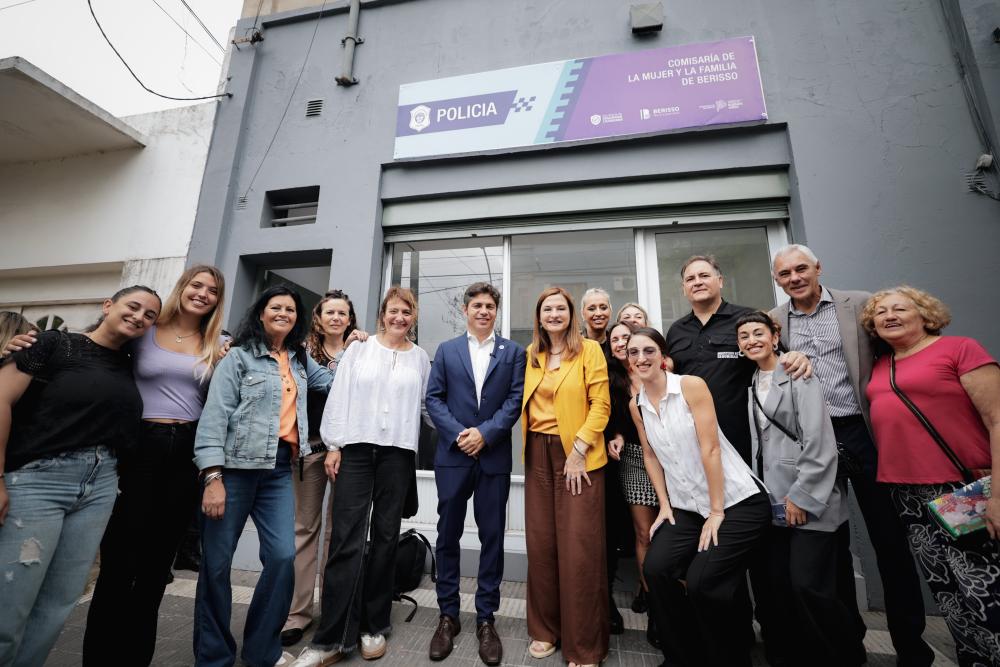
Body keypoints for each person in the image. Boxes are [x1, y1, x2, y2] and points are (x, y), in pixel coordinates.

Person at [769, 245, 933, 665]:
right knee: (830, 547)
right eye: (785, 273)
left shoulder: (859, 305)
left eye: (801, 268)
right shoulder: (773, 321)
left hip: (862, 433)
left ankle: (911, 647)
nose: (795, 277)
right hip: (813, 444)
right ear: (778, 279)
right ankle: (848, 642)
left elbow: (900, 351)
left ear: (818, 268)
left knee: (889, 543)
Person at [0, 286, 161, 667]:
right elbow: (2, 400)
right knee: (11, 602)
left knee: (58, 603)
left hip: (100, 486)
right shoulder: (53, 343)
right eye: (132, 306)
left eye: (149, 315)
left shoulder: (131, 363)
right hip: (39, 480)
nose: (139, 316)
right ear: (108, 305)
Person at [80, 265, 229, 666]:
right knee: (117, 565)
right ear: (183, 287)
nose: (202, 293)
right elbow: (94, 347)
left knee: (154, 570)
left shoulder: (217, 343)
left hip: (186, 454)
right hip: (139, 447)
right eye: (196, 285)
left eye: (211, 290)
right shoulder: (144, 329)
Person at [193, 285, 334, 667]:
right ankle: (214, 657)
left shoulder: (301, 361)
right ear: (261, 313)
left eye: (290, 309)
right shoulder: (237, 358)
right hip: (234, 470)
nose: (284, 313)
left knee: (283, 557)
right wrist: (212, 477)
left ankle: (261, 652)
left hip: (279, 471)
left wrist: (360, 348)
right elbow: (214, 418)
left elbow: (338, 383)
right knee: (217, 566)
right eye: (276, 307)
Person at [292, 287, 430, 666]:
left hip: (397, 455)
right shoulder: (358, 348)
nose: (399, 318)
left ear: (412, 317)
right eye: (393, 311)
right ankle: (330, 639)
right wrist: (334, 445)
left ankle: (374, 625)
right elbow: (340, 397)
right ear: (382, 314)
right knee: (346, 541)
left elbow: (425, 407)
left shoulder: (420, 358)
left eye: (407, 312)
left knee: (385, 538)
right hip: (355, 451)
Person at [862, 286, 1000, 666]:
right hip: (906, 494)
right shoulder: (879, 364)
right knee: (948, 592)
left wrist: (999, 496)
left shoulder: (959, 349)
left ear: (924, 314)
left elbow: (997, 419)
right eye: (880, 312)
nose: (889, 315)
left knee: (984, 588)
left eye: (900, 308)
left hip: (962, 487)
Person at [628, 327, 769, 667]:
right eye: (633, 352)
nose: (640, 357)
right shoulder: (637, 404)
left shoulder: (690, 385)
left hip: (737, 503)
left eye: (649, 350)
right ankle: (681, 657)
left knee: (704, 582)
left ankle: (728, 657)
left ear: (663, 357)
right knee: (657, 568)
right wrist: (664, 503)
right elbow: (649, 455)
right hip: (688, 508)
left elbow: (711, 447)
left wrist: (717, 511)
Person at [737, 311, 854, 666]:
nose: (751, 340)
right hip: (772, 499)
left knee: (810, 585)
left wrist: (801, 497)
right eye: (744, 336)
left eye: (758, 333)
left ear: (775, 336)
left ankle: (843, 654)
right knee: (781, 585)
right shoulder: (754, 380)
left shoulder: (798, 374)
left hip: (808, 497)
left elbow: (819, 440)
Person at [424, 282, 525, 665]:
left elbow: (515, 400)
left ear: (496, 312)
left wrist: (485, 434)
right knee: (447, 535)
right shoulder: (447, 350)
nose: (483, 310)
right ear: (465, 310)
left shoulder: (512, 352)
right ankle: (448, 615)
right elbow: (434, 398)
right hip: (453, 456)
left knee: (492, 538)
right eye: (477, 305)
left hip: (493, 457)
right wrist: (459, 434)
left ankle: (486, 618)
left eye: (489, 306)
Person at [521, 286, 610, 667]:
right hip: (537, 453)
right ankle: (544, 630)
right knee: (541, 547)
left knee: (580, 550)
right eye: (547, 309)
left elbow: (601, 405)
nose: (554, 314)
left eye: (561, 308)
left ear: (572, 315)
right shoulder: (531, 354)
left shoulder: (589, 350)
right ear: (539, 317)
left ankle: (585, 646)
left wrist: (578, 450)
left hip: (579, 456)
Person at [281, 290, 367, 647]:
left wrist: (353, 348)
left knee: (340, 533)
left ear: (350, 319)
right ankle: (298, 613)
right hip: (311, 450)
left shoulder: (363, 352)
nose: (336, 317)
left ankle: (334, 608)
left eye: (342, 313)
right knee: (306, 529)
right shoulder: (302, 353)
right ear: (318, 318)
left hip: (350, 453)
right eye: (329, 312)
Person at [605, 322, 658, 638]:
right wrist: (619, 434)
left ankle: (658, 593)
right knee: (644, 533)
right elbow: (613, 418)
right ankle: (653, 600)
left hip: (668, 458)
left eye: (628, 337)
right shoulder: (612, 379)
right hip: (633, 461)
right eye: (616, 339)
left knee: (673, 533)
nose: (623, 343)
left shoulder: (657, 369)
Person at [581, 289, 629, 635]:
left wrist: (619, 433)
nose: (598, 312)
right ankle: (592, 599)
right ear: (582, 313)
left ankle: (608, 598)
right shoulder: (578, 346)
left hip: (614, 451)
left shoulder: (619, 344)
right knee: (587, 528)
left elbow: (624, 397)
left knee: (612, 527)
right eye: (592, 308)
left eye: (603, 307)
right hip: (581, 448)